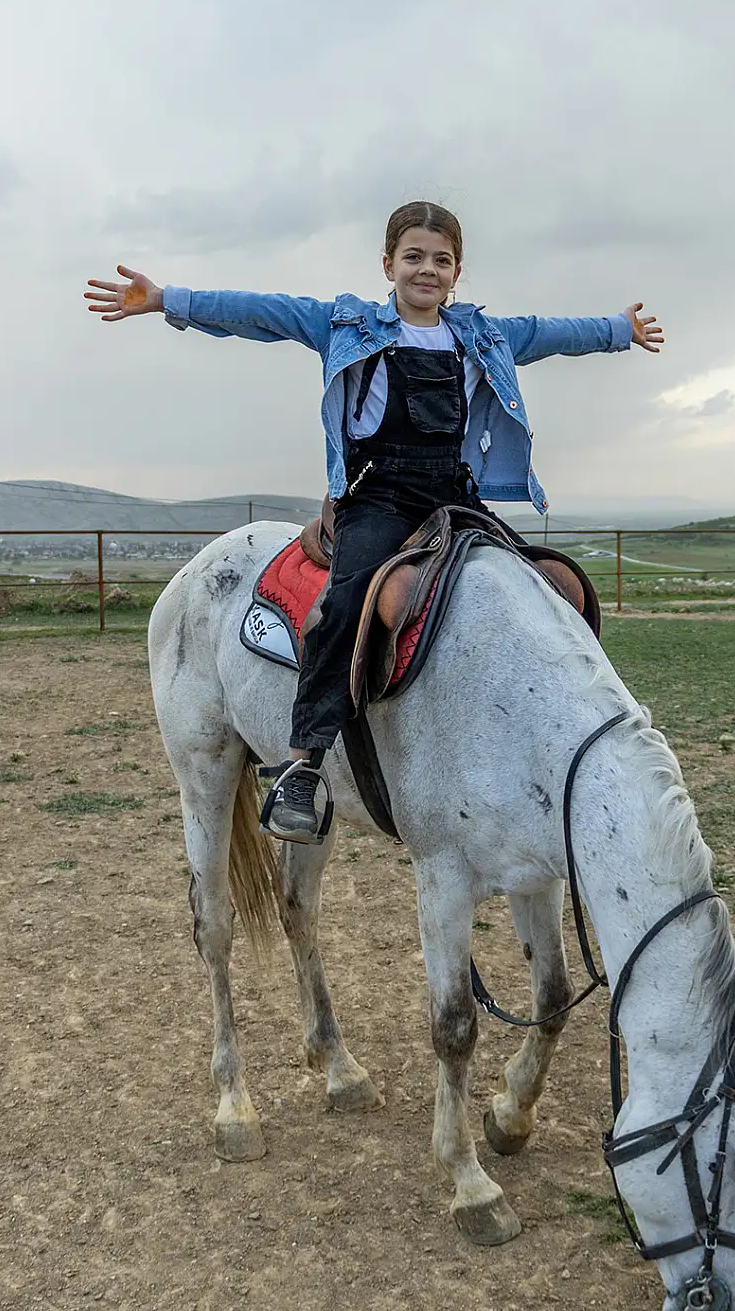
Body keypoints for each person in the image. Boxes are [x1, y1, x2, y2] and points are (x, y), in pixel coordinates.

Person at [86, 200, 664, 840]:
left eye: (441, 260)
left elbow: (553, 333)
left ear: (457, 272)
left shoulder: (484, 335)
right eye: (413, 257)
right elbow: (262, 312)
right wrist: (168, 298)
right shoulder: (345, 324)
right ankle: (304, 762)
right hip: (379, 495)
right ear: (388, 264)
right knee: (345, 602)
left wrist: (619, 327)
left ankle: (573, 731)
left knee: (557, 586)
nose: (427, 270)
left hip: (456, 494)